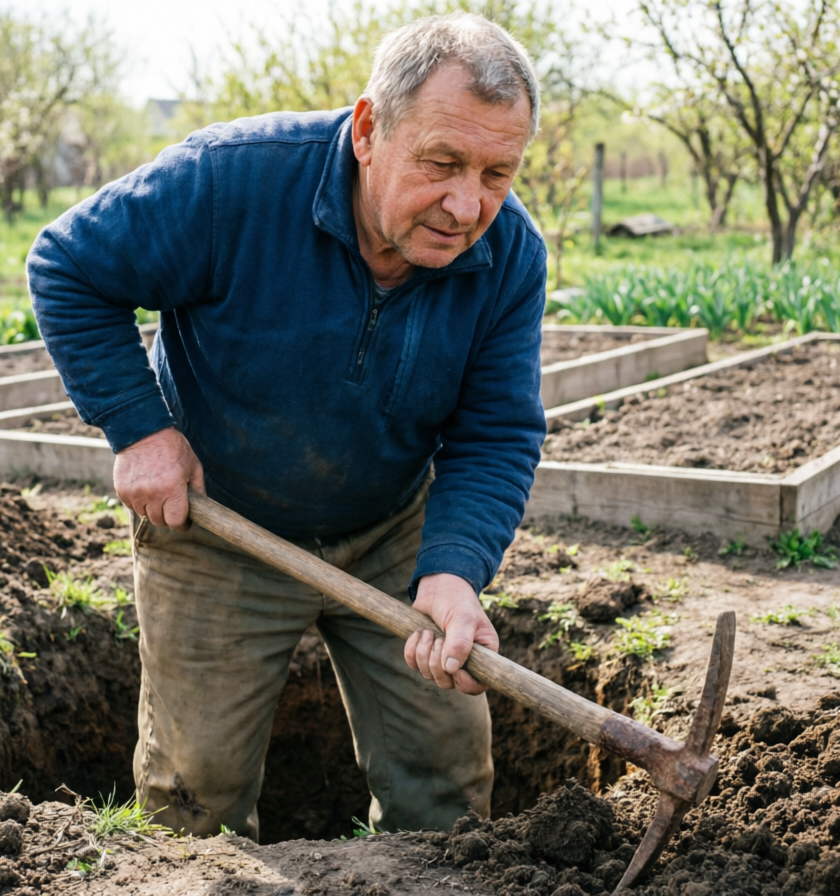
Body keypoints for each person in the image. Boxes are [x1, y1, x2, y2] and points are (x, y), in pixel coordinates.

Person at [28, 12, 547, 840]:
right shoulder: (229, 184)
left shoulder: (509, 256)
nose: (466, 204)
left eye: (498, 173)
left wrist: (453, 571)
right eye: (443, 163)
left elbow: (497, 430)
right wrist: (139, 429)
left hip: (391, 532)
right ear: (370, 130)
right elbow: (68, 266)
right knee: (193, 793)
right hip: (221, 524)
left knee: (443, 781)